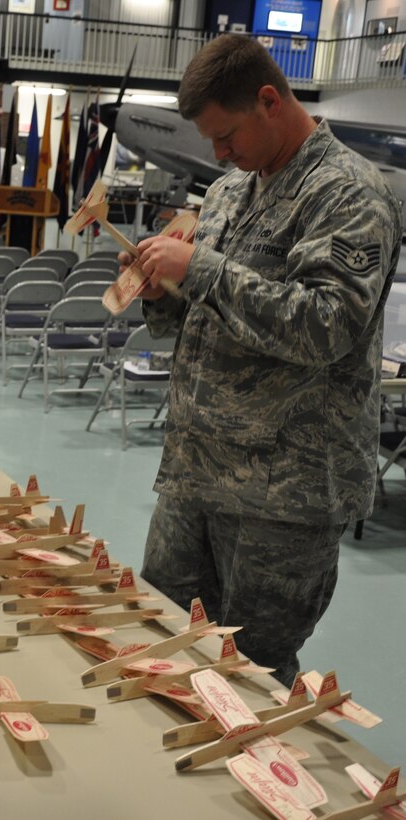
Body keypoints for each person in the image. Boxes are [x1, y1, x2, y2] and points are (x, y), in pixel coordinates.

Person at [131, 34, 401, 687]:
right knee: (161, 639)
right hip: (195, 475)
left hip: (281, 497)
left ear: (268, 100)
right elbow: (200, 314)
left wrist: (201, 270)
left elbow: (326, 327)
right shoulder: (228, 192)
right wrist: (160, 288)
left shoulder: (347, 193)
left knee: (251, 673)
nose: (219, 154)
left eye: (225, 136)